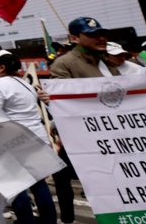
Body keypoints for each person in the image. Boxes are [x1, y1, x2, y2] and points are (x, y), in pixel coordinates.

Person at [49, 16, 117, 224]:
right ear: (75, 38)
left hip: (116, 135)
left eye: (101, 34)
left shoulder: (108, 62)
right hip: (84, 136)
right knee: (63, 176)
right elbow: (63, 102)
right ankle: (68, 218)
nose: (100, 38)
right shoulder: (64, 63)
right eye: (92, 35)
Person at [0, 52, 57, 224]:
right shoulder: (24, 83)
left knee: (17, 185)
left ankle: (26, 220)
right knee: (39, 184)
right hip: (36, 136)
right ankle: (49, 220)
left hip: (15, 139)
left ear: (1, 67)